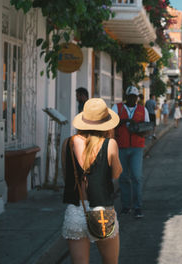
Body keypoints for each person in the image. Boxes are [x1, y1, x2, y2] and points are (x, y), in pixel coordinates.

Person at [61, 98, 122, 264]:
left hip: (75, 210)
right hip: (101, 211)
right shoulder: (110, 144)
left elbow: (66, 175)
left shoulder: (68, 143)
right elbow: (116, 174)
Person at [112, 86, 150, 219]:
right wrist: (124, 121)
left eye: (135, 97)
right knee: (123, 178)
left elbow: (147, 127)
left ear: (137, 97)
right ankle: (126, 206)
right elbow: (111, 123)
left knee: (136, 176)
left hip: (136, 147)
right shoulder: (117, 108)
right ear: (126, 96)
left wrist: (138, 129)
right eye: (130, 96)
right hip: (121, 146)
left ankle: (137, 207)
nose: (133, 99)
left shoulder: (142, 109)